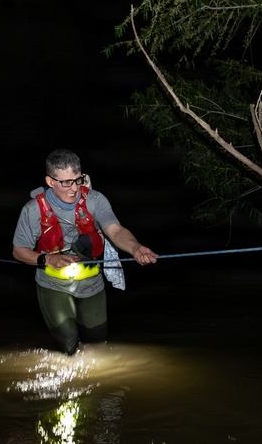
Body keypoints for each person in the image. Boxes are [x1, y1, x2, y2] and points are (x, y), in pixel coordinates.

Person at [12, 149, 158, 355]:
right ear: (50, 181)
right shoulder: (32, 210)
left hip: (91, 283)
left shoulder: (96, 200)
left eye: (77, 180)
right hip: (53, 284)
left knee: (97, 345)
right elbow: (19, 251)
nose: (73, 188)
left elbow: (115, 230)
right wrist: (46, 259)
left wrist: (136, 248)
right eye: (66, 182)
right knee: (69, 344)